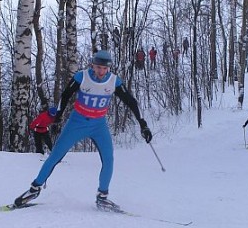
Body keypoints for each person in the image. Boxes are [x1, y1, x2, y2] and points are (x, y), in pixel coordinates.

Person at [14, 50, 153, 210]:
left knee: (109, 159)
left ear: (108, 68)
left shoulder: (113, 81)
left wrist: (143, 124)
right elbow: (65, 95)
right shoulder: (83, 77)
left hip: (99, 125)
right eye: (98, 67)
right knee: (55, 156)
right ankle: (34, 189)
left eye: (104, 68)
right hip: (77, 123)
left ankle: (102, 197)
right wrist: (58, 116)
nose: (101, 71)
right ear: (92, 65)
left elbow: (131, 102)